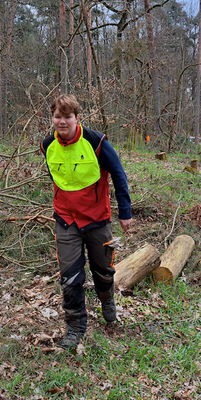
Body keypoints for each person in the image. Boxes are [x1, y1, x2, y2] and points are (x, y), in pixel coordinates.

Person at [41, 94, 133, 349]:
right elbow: (57, 178)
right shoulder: (47, 145)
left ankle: (107, 300)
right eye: (57, 116)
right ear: (53, 118)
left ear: (76, 118)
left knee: (104, 272)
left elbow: (118, 174)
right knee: (70, 277)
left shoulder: (97, 142)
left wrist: (125, 211)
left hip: (98, 220)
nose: (62, 122)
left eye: (67, 117)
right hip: (66, 221)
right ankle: (74, 327)